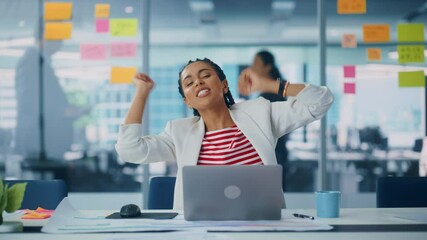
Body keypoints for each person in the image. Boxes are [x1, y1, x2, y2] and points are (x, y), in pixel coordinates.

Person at [115, 58, 334, 210]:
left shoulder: (259, 113)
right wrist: (142, 92)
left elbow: (320, 101)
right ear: (187, 100)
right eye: (189, 83)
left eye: (205, 75)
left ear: (224, 85)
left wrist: (268, 84)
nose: (198, 82)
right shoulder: (179, 132)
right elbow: (129, 150)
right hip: (201, 231)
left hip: (263, 226)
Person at [251, 50, 288, 191]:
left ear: (268, 67)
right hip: (275, 150)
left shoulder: (272, 94)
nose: (252, 67)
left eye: (256, 63)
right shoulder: (270, 92)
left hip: (274, 151)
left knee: (272, 193)